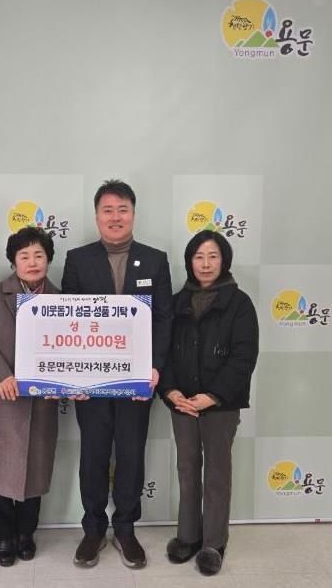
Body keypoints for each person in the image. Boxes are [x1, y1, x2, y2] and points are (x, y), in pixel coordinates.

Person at [61, 179, 173, 569]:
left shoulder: (155, 260)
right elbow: (70, 319)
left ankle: (125, 528)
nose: (115, 217)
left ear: (133, 214)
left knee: (130, 453)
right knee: (93, 454)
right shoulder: (78, 260)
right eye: (107, 210)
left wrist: (155, 368)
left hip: (137, 381)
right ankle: (93, 529)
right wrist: (73, 377)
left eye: (122, 209)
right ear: (96, 216)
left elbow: (164, 319)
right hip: (91, 382)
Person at [160, 230, 258, 576]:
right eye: (198, 256)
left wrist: (213, 396)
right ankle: (187, 537)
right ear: (190, 261)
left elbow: (244, 357)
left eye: (213, 256)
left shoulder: (240, 303)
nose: (205, 263)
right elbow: (163, 352)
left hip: (221, 405)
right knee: (187, 470)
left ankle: (213, 544)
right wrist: (171, 392)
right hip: (182, 403)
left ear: (224, 260)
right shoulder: (176, 302)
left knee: (217, 473)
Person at [0, 227, 59, 567]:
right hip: (2, 400)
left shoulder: (62, 300)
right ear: (14, 262)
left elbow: (74, 349)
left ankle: (26, 532)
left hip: (41, 402)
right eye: (24, 256)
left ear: (48, 259)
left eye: (39, 255)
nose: (32, 262)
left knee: (35, 469)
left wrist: (73, 383)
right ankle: (3, 535)